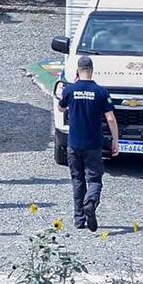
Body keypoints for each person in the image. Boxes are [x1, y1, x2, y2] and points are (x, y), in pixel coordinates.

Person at [57, 55, 119, 231]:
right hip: (93, 144)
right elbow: (110, 118)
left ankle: (79, 220)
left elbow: (61, 107)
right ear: (92, 71)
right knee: (94, 179)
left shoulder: (70, 90)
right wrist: (115, 140)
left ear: (78, 71)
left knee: (77, 180)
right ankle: (91, 201)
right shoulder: (101, 92)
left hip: (74, 144)